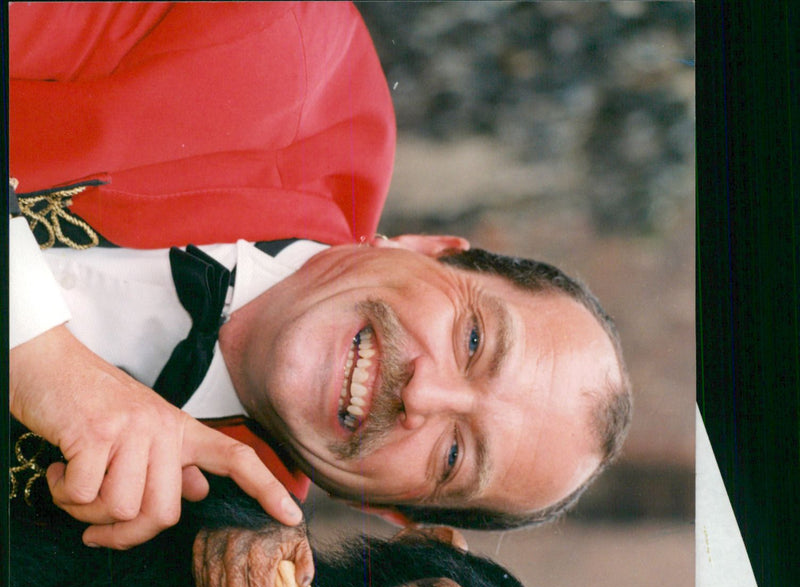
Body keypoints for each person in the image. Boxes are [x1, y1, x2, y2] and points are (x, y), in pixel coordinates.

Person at [9, 1, 631, 553]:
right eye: (473, 342)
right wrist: (36, 351)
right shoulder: (271, 35)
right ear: (427, 249)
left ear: (387, 511)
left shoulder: (200, 561)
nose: (423, 396)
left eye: (452, 454)